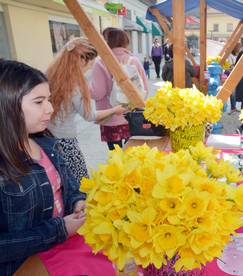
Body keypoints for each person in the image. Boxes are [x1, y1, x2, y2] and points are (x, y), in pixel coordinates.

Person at [0, 59, 86, 275]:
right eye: (39, 102)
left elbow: (68, 186)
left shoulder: (47, 143)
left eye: (48, 99)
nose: (50, 108)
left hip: (62, 254)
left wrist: (77, 200)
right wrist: (59, 230)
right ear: (6, 105)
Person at [46, 38, 126, 183]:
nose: (89, 69)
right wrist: (114, 110)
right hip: (66, 142)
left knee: (60, 180)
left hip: (47, 137)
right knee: (80, 183)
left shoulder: (51, 74)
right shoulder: (74, 85)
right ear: (81, 61)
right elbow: (90, 116)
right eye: (89, 66)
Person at [90, 28, 148, 150]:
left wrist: (86, 88)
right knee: (131, 152)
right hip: (131, 117)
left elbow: (98, 93)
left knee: (115, 154)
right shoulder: (134, 61)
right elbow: (144, 89)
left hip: (110, 117)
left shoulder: (100, 63)